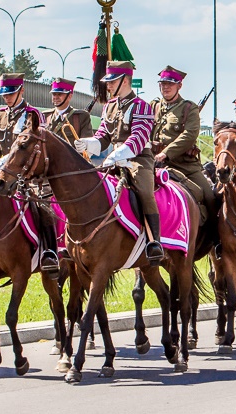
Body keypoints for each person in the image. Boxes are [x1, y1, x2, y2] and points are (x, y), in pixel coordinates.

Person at [73, 61, 164, 265]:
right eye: (108, 81)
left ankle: (153, 242)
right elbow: (103, 136)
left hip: (137, 159)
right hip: (113, 159)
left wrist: (117, 154)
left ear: (125, 80)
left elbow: (139, 138)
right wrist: (88, 144)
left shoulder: (142, 106)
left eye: (112, 81)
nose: (109, 85)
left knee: (144, 190)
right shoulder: (110, 106)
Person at [0, 73, 60, 275]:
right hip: (5, 171)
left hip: (28, 173)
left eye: (11, 94)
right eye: (5, 95)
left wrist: (4, 164)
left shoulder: (33, 114)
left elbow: (34, 147)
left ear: (21, 91)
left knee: (43, 204)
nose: (7, 98)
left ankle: (50, 252)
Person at [149, 65, 216, 226]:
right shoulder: (153, 106)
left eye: (170, 84)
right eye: (163, 83)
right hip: (154, 163)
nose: (166, 87)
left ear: (179, 85)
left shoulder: (189, 108)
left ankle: (216, 240)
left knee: (210, 198)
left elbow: (189, 135)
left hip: (184, 165)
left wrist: (165, 153)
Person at [42, 77, 94, 146]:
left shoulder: (81, 117)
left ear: (69, 96)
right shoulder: (45, 116)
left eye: (60, 94)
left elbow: (87, 145)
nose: (56, 97)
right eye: (54, 94)